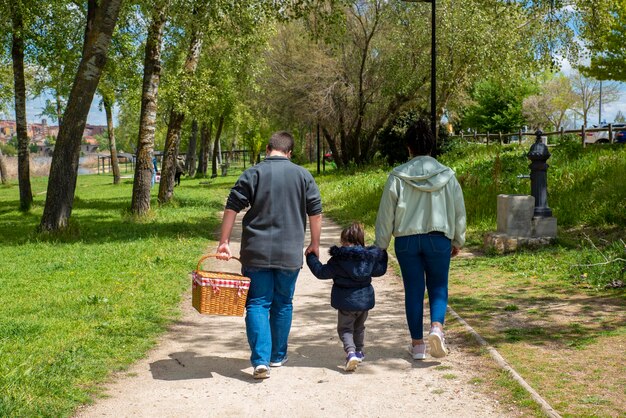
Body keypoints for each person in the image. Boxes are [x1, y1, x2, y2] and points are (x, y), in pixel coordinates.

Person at [216, 131, 323, 379]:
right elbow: (315, 213)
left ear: (267, 149)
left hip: (256, 252)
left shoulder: (253, 173)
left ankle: (260, 360)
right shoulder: (303, 175)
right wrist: (315, 243)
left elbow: (232, 207)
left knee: (257, 303)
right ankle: (277, 356)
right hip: (289, 253)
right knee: (283, 303)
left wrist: (224, 241)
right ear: (290, 152)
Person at [374, 119, 466, 360]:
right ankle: (437, 328)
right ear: (431, 146)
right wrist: (458, 240)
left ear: (409, 147)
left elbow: (386, 214)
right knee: (438, 286)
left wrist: (381, 245)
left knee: (413, 291)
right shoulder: (448, 176)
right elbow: (459, 211)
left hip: (407, 241)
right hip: (439, 238)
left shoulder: (397, 176)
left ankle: (417, 346)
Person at [306, 222, 387, 371]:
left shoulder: (339, 259)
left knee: (345, 329)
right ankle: (359, 351)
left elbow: (321, 272)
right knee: (359, 327)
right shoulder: (369, 258)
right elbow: (380, 270)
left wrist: (311, 257)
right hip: (364, 302)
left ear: (343, 240)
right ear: (361, 240)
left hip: (345, 302)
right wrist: (383, 253)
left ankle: (350, 352)